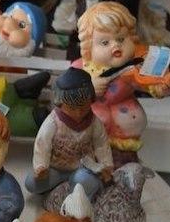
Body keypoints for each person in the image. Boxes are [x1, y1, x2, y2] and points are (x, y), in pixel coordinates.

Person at [75, 0, 170, 164]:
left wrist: (162, 88)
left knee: (133, 119)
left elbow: (148, 84)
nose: (115, 45)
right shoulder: (82, 68)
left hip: (123, 110)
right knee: (94, 121)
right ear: (88, 47)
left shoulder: (135, 66)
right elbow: (67, 90)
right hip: (94, 110)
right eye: (105, 42)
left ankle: (122, 153)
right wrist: (89, 87)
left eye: (121, 39)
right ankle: (91, 155)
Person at [25, 67, 113, 201]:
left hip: (83, 169)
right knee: (31, 183)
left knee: (85, 181)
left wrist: (106, 166)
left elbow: (101, 145)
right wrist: (41, 166)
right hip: (56, 169)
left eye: (84, 107)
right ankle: (60, 187)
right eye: (72, 108)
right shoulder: (53, 122)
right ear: (60, 103)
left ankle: (80, 193)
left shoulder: (94, 122)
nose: (78, 113)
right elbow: (42, 145)